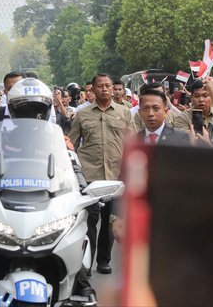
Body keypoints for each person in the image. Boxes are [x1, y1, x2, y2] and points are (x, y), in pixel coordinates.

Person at [0, 78, 96, 306]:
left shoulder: (59, 141)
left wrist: (85, 191)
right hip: (4, 203)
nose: (31, 115)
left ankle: (81, 292)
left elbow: (73, 167)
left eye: (36, 109)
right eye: (25, 109)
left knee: (79, 267)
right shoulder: (0, 138)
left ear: (45, 111)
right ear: (12, 110)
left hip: (46, 206)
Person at [68, 73, 135, 275]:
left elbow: (131, 144)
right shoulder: (83, 114)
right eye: (101, 86)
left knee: (110, 221)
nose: (105, 89)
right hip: (90, 175)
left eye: (108, 86)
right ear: (93, 90)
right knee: (89, 221)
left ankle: (104, 261)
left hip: (115, 176)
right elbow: (72, 143)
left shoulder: (125, 113)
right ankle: (86, 262)